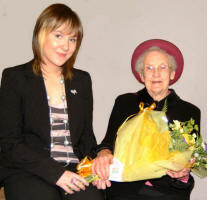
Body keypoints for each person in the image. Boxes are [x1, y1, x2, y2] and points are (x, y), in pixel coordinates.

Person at [0, 3, 104, 200]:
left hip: (74, 169)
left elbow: (86, 138)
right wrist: (56, 174)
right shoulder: (15, 78)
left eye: (72, 39)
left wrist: (96, 168)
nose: (66, 46)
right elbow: (10, 142)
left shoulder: (82, 81)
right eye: (59, 36)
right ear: (41, 34)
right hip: (27, 169)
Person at [92, 39, 201, 200]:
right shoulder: (125, 102)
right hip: (126, 189)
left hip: (168, 191)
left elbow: (194, 159)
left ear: (172, 73)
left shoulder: (189, 111)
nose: (156, 73)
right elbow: (108, 142)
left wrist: (182, 173)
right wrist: (103, 153)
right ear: (142, 75)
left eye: (162, 67)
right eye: (149, 68)